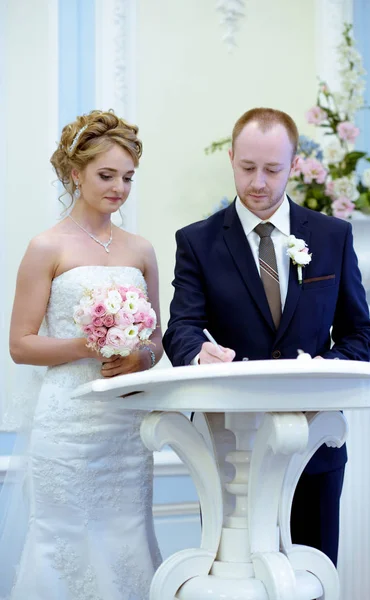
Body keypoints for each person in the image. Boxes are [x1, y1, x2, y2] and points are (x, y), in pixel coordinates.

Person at [162, 107, 370, 567]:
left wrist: (325, 373)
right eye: (247, 168)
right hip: (228, 448)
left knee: (313, 574)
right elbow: (180, 326)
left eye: (272, 169)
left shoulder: (332, 236)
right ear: (232, 159)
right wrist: (198, 354)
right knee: (232, 578)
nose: (258, 182)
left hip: (314, 441)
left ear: (294, 165)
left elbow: (360, 331)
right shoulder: (197, 242)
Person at [0, 110, 162, 600]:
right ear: (76, 174)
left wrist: (141, 358)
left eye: (128, 177)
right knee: (62, 544)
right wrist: (87, 345)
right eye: (106, 175)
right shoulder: (46, 247)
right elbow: (20, 344)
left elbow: (159, 338)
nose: (119, 188)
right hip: (67, 423)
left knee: (126, 539)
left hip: (125, 427)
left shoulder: (141, 250)